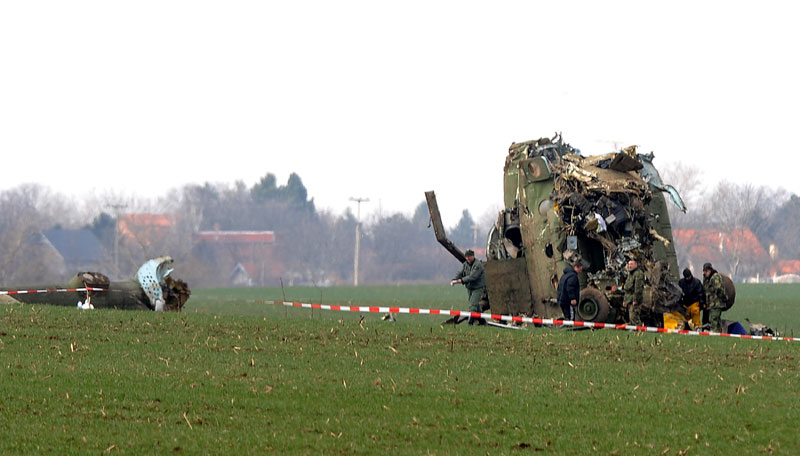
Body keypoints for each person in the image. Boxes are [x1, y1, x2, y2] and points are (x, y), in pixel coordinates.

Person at [451, 249, 486, 325]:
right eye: (466, 257)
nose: (467, 258)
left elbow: (473, 277)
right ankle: (483, 322)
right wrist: (455, 279)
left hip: (478, 288)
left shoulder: (478, 265)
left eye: (469, 256)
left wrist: (462, 280)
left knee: (472, 306)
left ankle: (470, 323)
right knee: (476, 306)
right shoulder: (465, 264)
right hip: (470, 288)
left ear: (473, 256)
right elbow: (461, 273)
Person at [702, 262, 728, 333]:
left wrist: (723, 299)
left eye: (706, 271)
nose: (705, 273)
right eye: (704, 271)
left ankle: (714, 333)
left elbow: (719, 289)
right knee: (717, 320)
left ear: (709, 270)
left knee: (713, 319)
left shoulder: (714, 277)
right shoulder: (707, 278)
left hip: (716, 303)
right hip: (712, 304)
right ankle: (719, 332)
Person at [623, 259, 645, 326]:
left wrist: (635, 300)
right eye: (629, 264)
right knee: (631, 317)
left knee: (634, 317)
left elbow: (638, 289)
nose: (630, 266)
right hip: (629, 299)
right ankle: (634, 330)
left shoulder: (638, 274)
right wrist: (625, 301)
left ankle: (639, 330)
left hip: (634, 300)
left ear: (636, 265)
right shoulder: (630, 274)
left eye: (631, 264)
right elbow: (627, 289)